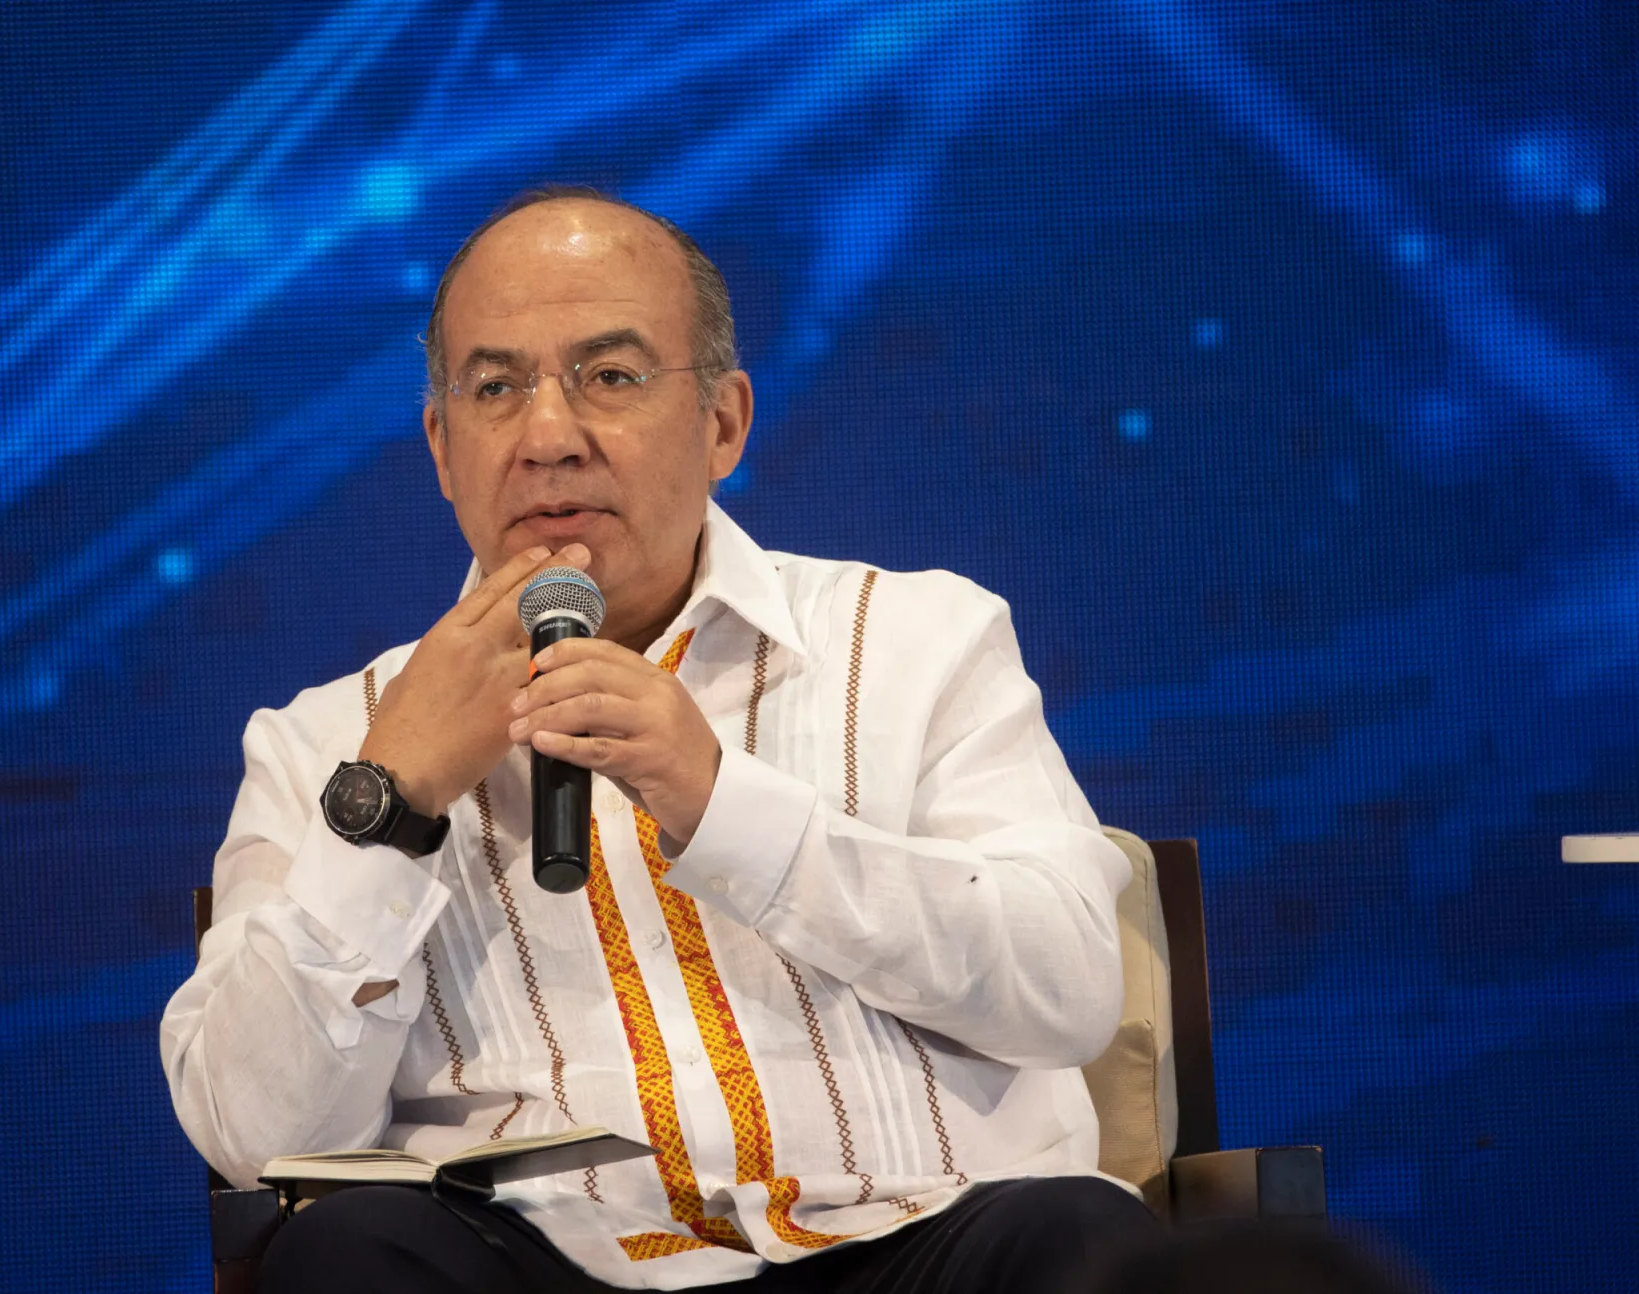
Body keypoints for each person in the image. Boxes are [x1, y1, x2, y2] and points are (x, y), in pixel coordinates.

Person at [161, 185, 1154, 1293]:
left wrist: (723, 805)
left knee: (1076, 1235)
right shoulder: (326, 743)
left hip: (905, 1237)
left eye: (610, 376)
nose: (548, 439)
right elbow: (252, 1136)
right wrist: (391, 803)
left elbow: (1068, 988)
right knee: (345, 1254)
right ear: (441, 448)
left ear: (722, 422)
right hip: (547, 1263)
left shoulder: (917, 640)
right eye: (496, 388)